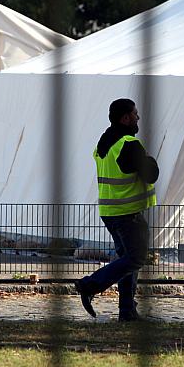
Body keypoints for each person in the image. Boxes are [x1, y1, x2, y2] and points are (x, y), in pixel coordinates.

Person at [74, 98, 158, 321]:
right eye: (135, 114)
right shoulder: (128, 144)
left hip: (110, 213)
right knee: (136, 258)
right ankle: (90, 285)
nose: (138, 118)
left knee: (127, 261)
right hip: (128, 213)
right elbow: (151, 174)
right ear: (125, 118)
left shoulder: (104, 143)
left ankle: (127, 311)